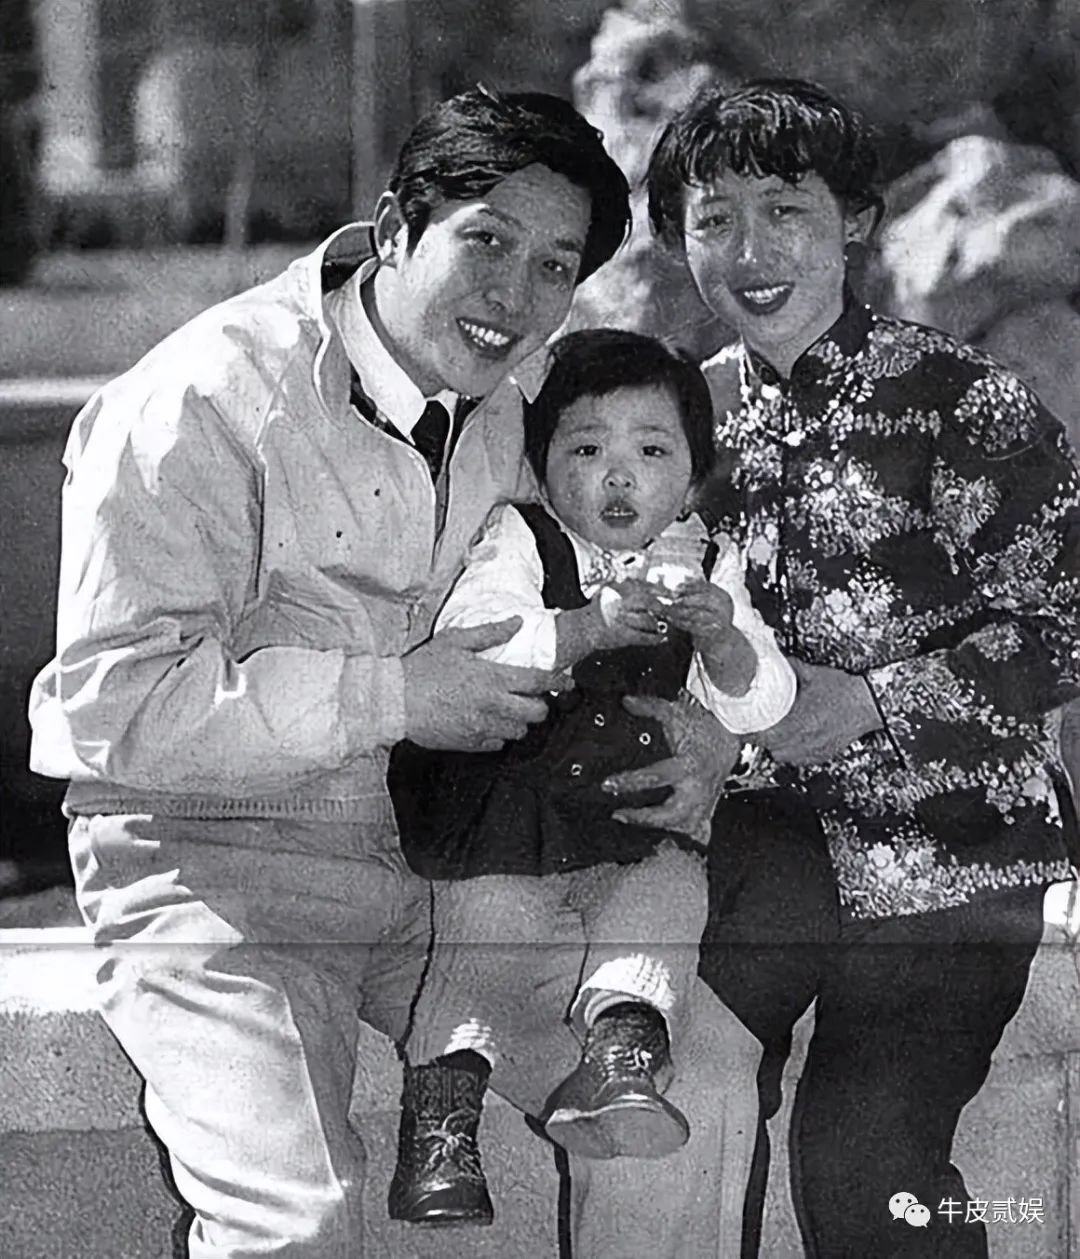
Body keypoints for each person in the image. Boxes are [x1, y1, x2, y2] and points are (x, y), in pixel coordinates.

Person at [28, 84, 762, 1259]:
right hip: (217, 867)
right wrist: (395, 693)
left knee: (701, 1083)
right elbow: (115, 706)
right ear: (393, 229)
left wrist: (714, 737)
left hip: (455, 860)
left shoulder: (521, 413)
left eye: (553, 266)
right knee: (296, 1219)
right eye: (487, 242)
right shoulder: (197, 400)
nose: (514, 296)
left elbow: (618, 584)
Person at [646, 78, 1080, 1259]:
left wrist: (883, 700)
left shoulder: (962, 400)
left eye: (786, 210)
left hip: (956, 855)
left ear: (856, 221)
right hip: (757, 847)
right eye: (714, 218)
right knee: (669, 1094)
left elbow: (1066, 618)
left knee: (867, 1161)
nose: (751, 251)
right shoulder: (678, 420)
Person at [385, 328, 795, 1226]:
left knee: (671, 895)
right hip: (513, 817)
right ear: (541, 470)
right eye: (585, 450)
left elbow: (762, 699)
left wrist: (724, 638)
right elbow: (485, 638)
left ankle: (624, 1051)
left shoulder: (708, 564)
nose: (617, 476)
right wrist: (587, 628)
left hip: (633, 825)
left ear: (691, 478)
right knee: (485, 942)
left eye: (651, 452)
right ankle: (442, 1129)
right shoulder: (523, 539)